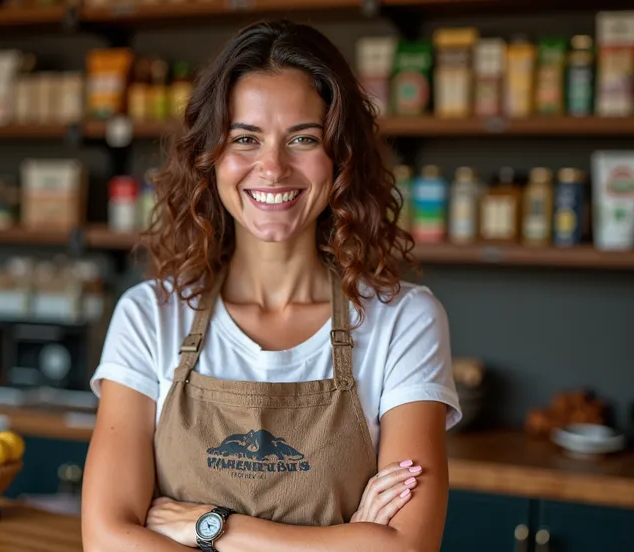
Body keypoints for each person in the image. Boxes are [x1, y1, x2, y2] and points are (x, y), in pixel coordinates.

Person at [81, 19, 461, 552]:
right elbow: (107, 540)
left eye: (303, 138)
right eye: (245, 138)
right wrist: (345, 539)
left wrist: (210, 527)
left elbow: (404, 547)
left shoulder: (403, 319)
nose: (273, 167)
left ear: (341, 156)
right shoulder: (150, 315)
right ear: (209, 157)